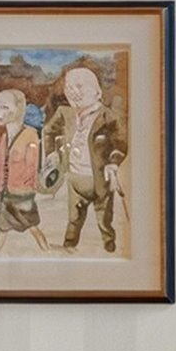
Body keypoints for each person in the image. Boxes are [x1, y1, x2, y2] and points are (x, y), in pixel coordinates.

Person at [41, 61, 127, 254]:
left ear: (97, 92)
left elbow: (121, 142)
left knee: (103, 217)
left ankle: (109, 243)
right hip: (75, 179)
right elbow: (48, 131)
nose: (72, 91)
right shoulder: (65, 113)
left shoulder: (108, 117)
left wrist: (113, 164)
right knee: (74, 217)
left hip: (100, 179)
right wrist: (51, 152)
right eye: (68, 87)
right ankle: (69, 245)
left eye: (79, 86)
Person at [0, 85, 48, 251]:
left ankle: (46, 250)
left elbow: (32, 164)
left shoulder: (31, 134)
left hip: (22, 193)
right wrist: (0, 186)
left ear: (19, 109)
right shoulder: (4, 137)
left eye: (5, 107)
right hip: (7, 193)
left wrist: (27, 188)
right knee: (3, 228)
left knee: (32, 226)